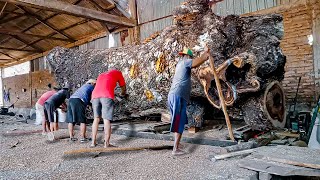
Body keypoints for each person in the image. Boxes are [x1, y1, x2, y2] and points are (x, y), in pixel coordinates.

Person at [168, 46, 210, 156]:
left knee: (176, 120)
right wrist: (205, 55)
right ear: (187, 56)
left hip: (173, 95)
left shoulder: (179, 64)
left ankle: (177, 144)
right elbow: (197, 62)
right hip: (178, 96)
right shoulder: (185, 62)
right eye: (189, 57)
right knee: (179, 121)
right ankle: (175, 149)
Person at [90, 69, 127, 148]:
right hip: (106, 95)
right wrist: (123, 94)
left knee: (96, 119)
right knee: (106, 119)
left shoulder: (101, 74)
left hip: (94, 96)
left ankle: (93, 142)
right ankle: (106, 144)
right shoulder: (119, 73)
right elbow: (123, 87)